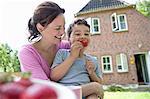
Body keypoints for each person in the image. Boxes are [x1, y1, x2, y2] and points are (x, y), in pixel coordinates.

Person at [18, 1, 103, 99]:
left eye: (63, 27)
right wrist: (92, 88)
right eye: (58, 28)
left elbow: (81, 69)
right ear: (40, 27)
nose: (62, 32)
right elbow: (46, 92)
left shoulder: (66, 46)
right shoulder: (27, 53)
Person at [50, 19, 104, 99]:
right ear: (69, 39)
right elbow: (53, 76)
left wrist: (91, 73)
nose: (83, 36)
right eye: (78, 34)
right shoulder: (62, 54)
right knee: (95, 87)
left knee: (94, 95)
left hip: (85, 93)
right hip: (66, 93)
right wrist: (72, 57)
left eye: (86, 34)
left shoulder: (92, 60)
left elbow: (99, 83)